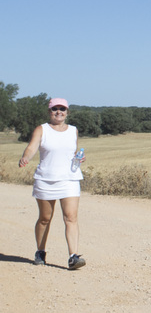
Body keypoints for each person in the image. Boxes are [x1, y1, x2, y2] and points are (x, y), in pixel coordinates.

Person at [18, 97, 87, 269]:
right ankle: (40, 251)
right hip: (46, 179)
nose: (59, 112)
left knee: (71, 217)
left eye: (62, 109)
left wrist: (80, 157)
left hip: (69, 178)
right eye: (55, 109)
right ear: (49, 112)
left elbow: (73, 151)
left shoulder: (73, 130)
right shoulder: (42, 129)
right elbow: (32, 147)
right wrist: (26, 157)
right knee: (45, 218)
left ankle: (73, 257)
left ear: (67, 112)